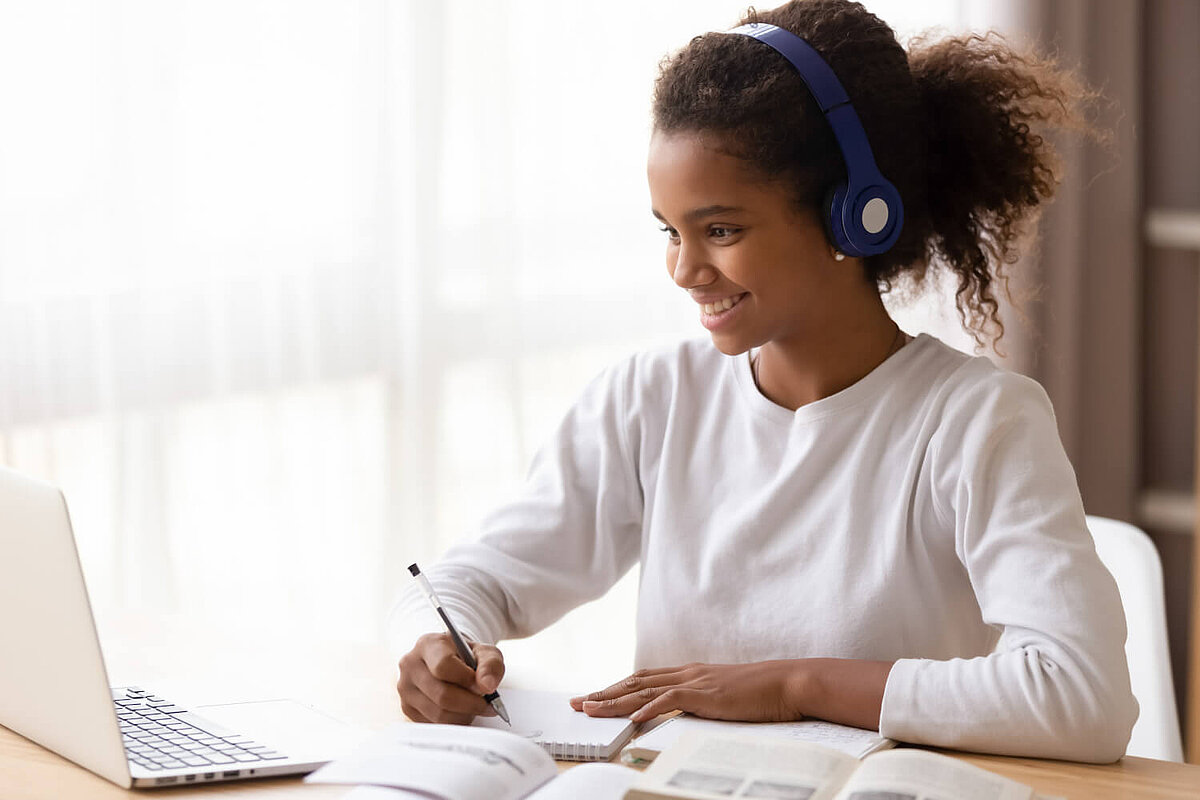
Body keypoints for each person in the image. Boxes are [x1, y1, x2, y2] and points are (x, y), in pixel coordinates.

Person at [389, 0, 1137, 763]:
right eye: (669, 231)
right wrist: (434, 640)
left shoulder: (977, 422)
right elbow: (469, 579)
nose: (684, 270)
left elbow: (1083, 697)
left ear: (857, 216)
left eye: (721, 230)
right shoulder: (653, 400)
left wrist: (794, 686)